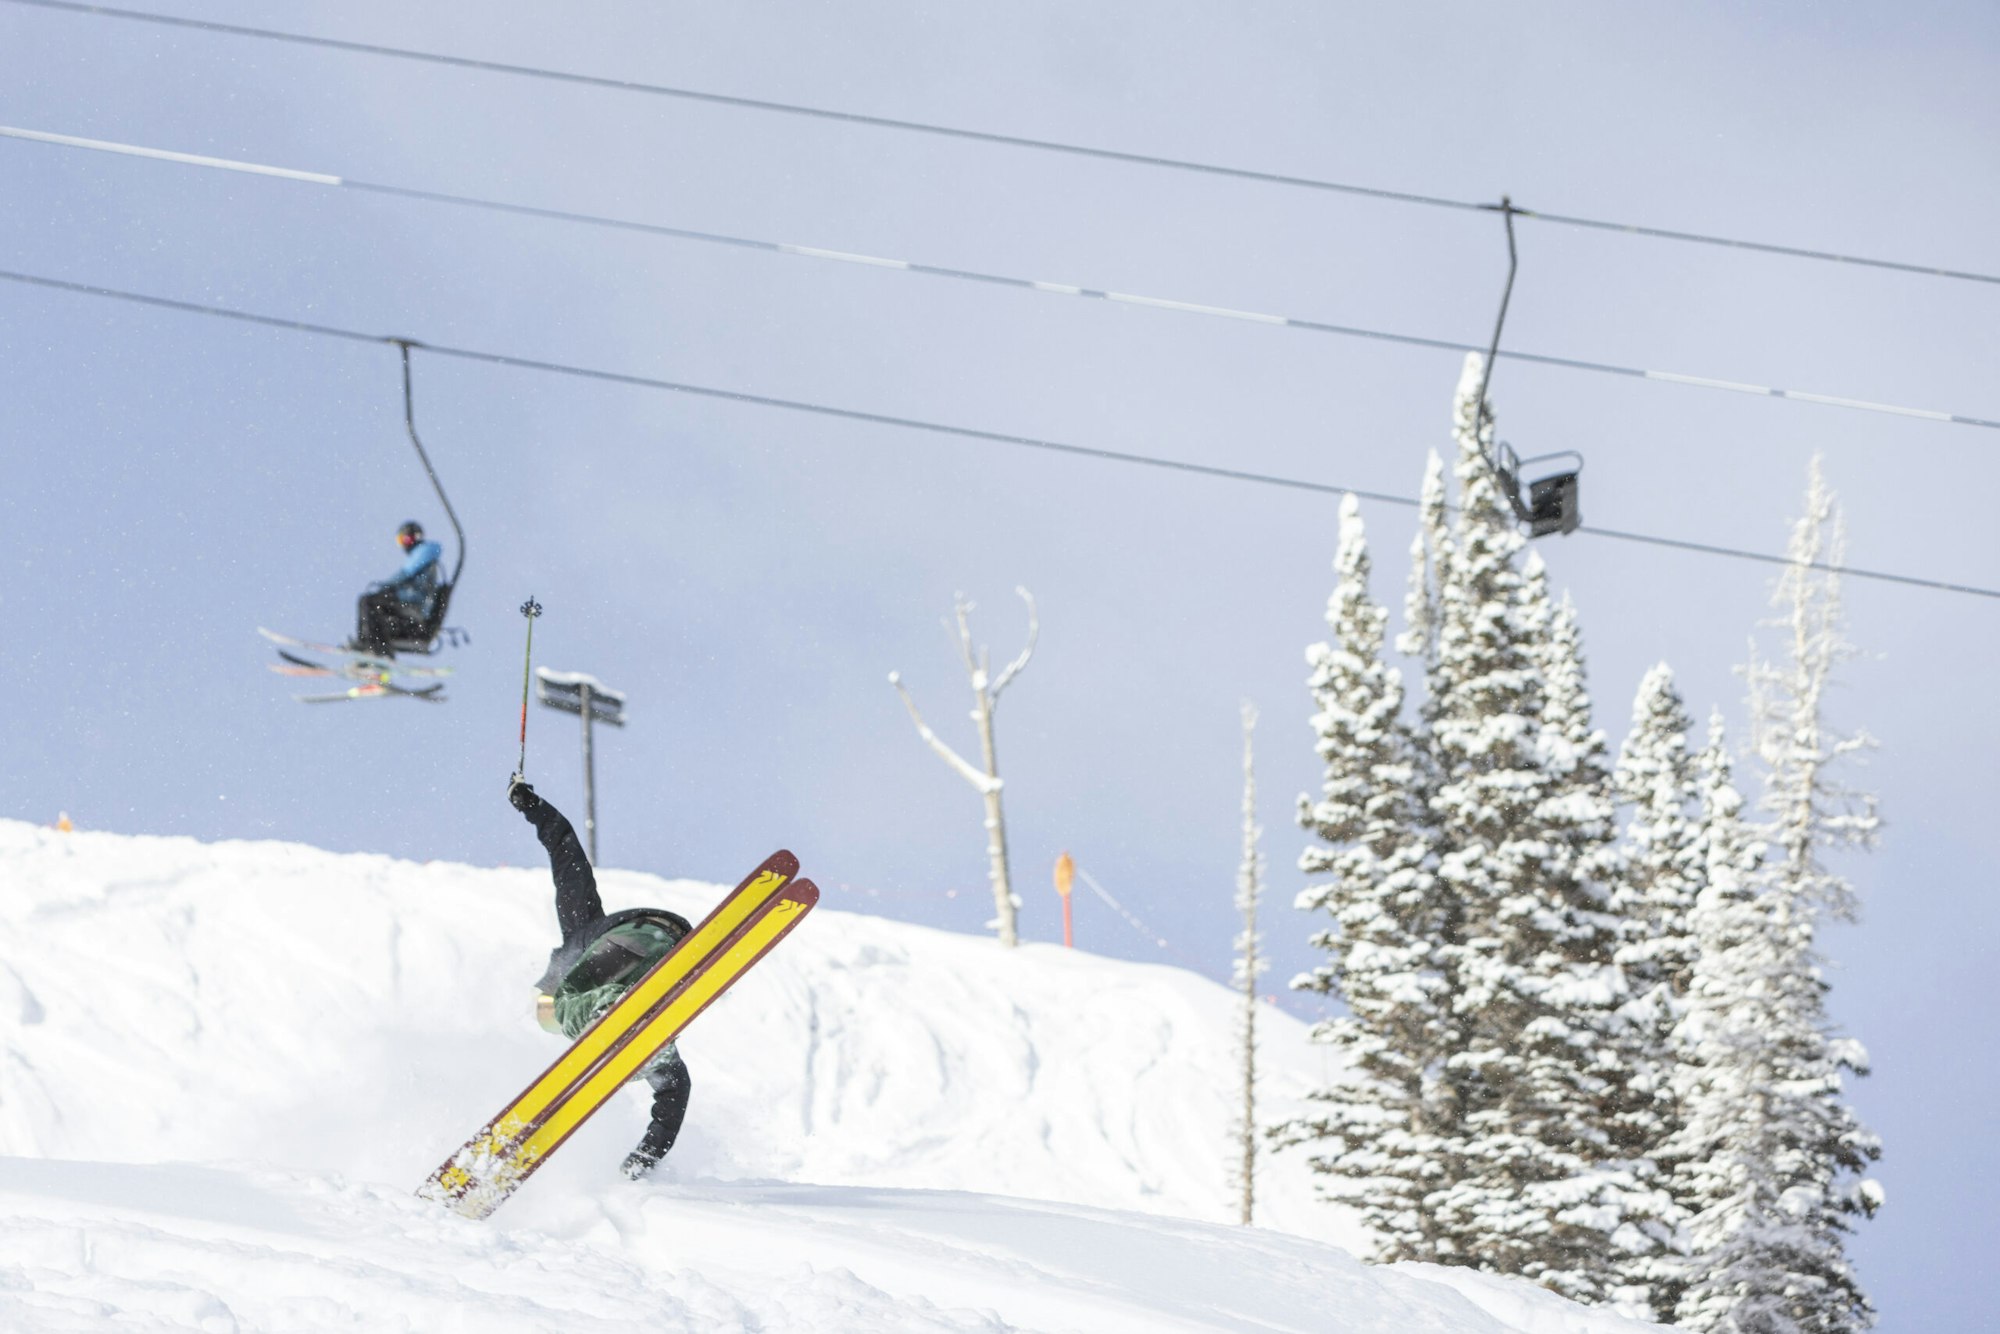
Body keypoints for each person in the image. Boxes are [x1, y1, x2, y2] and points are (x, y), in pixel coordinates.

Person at [507, 773, 694, 1181]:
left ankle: (609, 1014)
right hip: (674, 952)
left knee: (557, 1009)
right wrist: (644, 1158)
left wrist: (533, 808)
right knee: (669, 1075)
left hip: (631, 941)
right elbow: (676, 1094)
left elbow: (568, 861)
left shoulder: (578, 943)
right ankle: (620, 1021)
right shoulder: (657, 1054)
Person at [350, 521, 444, 656]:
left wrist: (387, 586)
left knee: (369, 602)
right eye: (400, 541)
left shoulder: (424, 551)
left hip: (413, 603)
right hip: (410, 599)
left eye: (405, 540)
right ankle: (367, 642)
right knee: (369, 602)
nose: (404, 545)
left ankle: (377, 648)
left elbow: (406, 573)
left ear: (415, 537)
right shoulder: (424, 554)